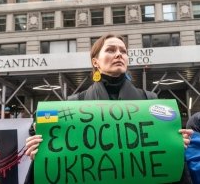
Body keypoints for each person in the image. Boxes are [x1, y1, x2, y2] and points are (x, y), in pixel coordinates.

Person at [25, 34, 179, 183]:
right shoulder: (73, 104)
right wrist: (41, 148)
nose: (119, 54)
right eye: (111, 50)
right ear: (95, 62)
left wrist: (175, 141)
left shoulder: (150, 100)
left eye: (123, 51)